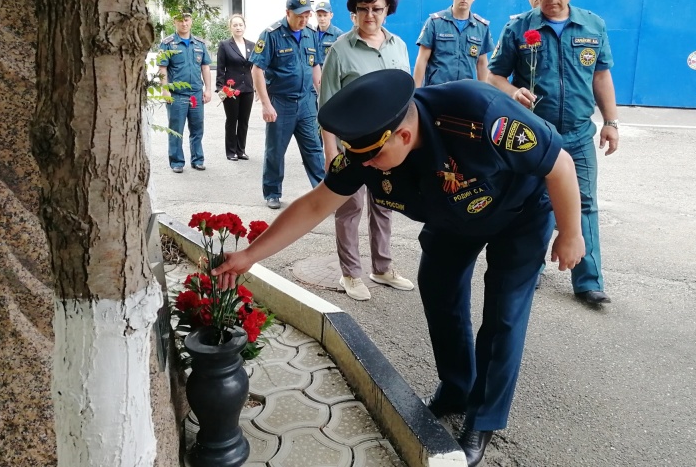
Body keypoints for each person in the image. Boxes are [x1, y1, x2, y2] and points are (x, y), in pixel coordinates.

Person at [212, 68, 585, 467]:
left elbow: (558, 165)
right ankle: (457, 387)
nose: (366, 167)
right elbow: (318, 203)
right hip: (454, 217)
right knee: (438, 289)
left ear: (403, 136)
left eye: (373, 158)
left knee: (504, 314)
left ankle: (483, 419)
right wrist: (250, 255)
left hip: (520, 212)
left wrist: (570, 232)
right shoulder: (368, 147)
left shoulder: (482, 115)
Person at [487, 0, 619, 306]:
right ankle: (532, 269)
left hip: (578, 134)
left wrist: (610, 121)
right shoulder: (518, 27)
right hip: (534, 135)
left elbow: (602, 75)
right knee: (533, 202)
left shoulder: (593, 25)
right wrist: (513, 91)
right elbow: (493, 75)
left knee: (585, 203)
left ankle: (587, 280)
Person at [319, 0, 414, 301]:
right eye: (363, 9)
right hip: (354, 147)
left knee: (384, 205)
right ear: (353, 12)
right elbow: (327, 105)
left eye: (376, 9)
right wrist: (330, 151)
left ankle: (382, 268)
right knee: (350, 208)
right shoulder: (340, 51)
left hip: (390, 149)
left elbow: (407, 100)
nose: (370, 16)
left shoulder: (399, 46)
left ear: (387, 10)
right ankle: (351, 274)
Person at [249, 0, 326, 210]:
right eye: (300, 15)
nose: (304, 20)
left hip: (306, 102)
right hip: (280, 102)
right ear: (288, 13)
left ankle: (322, 191)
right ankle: (272, 192)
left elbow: (315, 66)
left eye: (307, 15)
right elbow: (257, 69)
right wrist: (266, 104)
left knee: (314, 149)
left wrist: (322, 96)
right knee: (275, 151)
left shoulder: (311, 34)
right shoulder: (271, 34)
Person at [412, 0, 493, 87]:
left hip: (466, 94)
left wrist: (484, 94)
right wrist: (416, 94)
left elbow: (482, 64)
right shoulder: (435, 23)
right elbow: (422, 60)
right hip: (437, 94)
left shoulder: (481, 27)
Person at [158, 10, 212, 173]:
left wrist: (208, 89)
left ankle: (197, 159)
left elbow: (205, 67)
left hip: (196, 93)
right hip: (177, 95)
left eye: (187, 20)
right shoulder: (167, 43)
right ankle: (177, 162)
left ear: (191, 21)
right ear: (174, 22)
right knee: (176, 130)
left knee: (197, 129)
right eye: (180, 20)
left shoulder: (199, 44)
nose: (184, 23)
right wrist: (165, 89)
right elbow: (162, 68)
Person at [216, 14, 256, 161]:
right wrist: (220, 88)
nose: (238, 27)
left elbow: (256, 67)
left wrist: (257, 87)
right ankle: (231, 151)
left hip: (248, 89)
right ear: (230, 27)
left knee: (244, 120)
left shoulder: (252, 45)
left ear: (244, 27)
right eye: (235, 25)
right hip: (231, 90)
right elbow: (220, 68)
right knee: (232, 120)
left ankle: (241, 150)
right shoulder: (225, 45)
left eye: (240, 25)